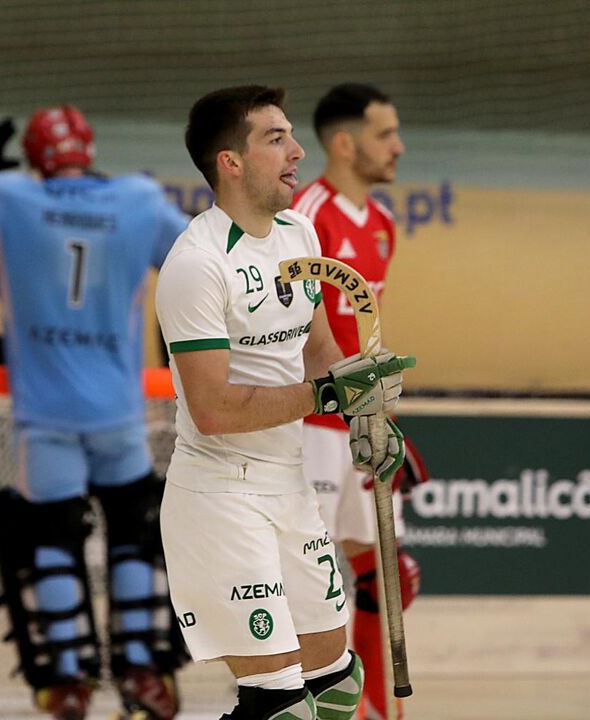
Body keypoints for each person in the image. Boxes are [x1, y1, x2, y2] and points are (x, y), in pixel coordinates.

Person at [0, 106, 190, 720]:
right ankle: (142, 674)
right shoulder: (139, 199)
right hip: (118, 411)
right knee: (135, 538)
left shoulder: (8, 196)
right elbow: (199, 257)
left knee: (52, 542)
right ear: (90, 149)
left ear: (33, 159)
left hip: (46, 415)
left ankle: (67, 683)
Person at [155, 85, 415, 720]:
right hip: (221, 496)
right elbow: (213, 409)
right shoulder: (196, 264)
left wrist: (365, 408)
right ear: (231, 162)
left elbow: (319, 347)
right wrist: (327, 396)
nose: (298, 151)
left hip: (290, 483)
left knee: (336, 686)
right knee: (280, 707)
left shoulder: (300, 232)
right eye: (276, 139)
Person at [291, 82, 424, 720]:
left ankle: (375, 710)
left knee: (387, 579)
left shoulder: (383, 225)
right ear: (344, 144)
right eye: (384, 134)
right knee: (307, 586)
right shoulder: (304, 216)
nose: (398, 146)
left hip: (361, 429)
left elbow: (366, 335)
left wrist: (386, 421)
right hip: (311, 428)